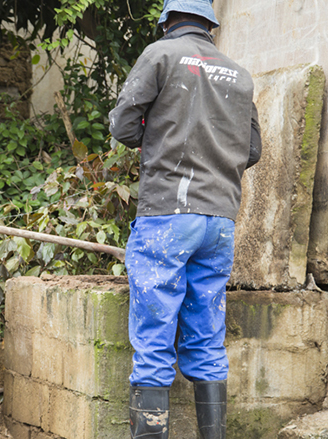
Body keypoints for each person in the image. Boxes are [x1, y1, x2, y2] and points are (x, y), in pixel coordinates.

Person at [108, 0, 262, 438]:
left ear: (167, 19)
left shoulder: (160, 55)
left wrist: (157, 140)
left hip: (169, 216)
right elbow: (252, 151)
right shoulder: (239, 72)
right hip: (220, 221)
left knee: (155, 334)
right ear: (211, 23)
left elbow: (123, 125)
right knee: (207, 333)